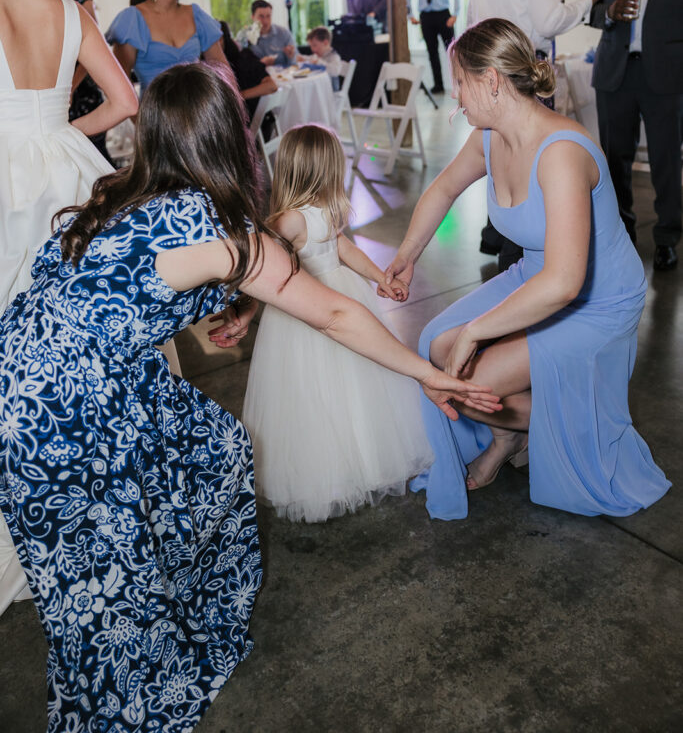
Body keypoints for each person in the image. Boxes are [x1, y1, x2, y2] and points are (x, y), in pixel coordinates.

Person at [0, 62, 499, 730]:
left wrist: (229, 313)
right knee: (99, 574)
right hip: (67, 405)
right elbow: (334, 313)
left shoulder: (119, 193)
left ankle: (163, 600)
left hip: (25, 375)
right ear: (228, 137)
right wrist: (426, 372)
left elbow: (116, 294)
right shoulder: (211, 229)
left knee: (213, 446)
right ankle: (124, 692)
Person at [385, 18, 670, 522]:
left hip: (595, 296)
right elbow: (445, 189)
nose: (455, 95)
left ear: (491, 81)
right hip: (539, 276)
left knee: (468, 383)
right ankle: (506, 437)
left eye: (461, 82)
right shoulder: (489, 135)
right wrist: (406, 256)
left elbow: (564, 282)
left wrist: (477, 331)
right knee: (436, 346)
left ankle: (570, 422)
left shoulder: (560, 151)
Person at [0, 0, 138, 615]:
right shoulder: (65, 6)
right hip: (69, 183)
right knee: (84, 348)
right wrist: (53, 137)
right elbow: (124, 103)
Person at [242, 124, 438, 522]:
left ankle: (365, 460)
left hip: (344, 296)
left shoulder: (327, 208)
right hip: (307, 311)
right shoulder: (287, 221)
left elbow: (343, 248)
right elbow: (263, 263)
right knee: (313, 391)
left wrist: (381, 278)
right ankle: (325, 474)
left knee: (358, 382)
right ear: (322, 169)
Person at [467, 0, 612, 268]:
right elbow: (547, 22)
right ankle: (522, 271)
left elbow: (470, 21)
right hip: (524, 79)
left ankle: (501, 250)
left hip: (486, 79)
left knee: (503, 172)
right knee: (532, 181)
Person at [587, 0, 683, 271]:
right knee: (613, 160)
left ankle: (667, 237)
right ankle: (621, 234)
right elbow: (587, 10)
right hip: (615, 74)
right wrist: (607, 11)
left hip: (665, 75)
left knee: (665, 161)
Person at [30, 0, 112, 162]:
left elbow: (93, 55)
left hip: (80, 87)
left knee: (91, 153)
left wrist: (72, 86)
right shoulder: (33, 6)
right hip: (48, 85)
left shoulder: (84, 3)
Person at [106, 0, 228, 92]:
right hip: (154, 111)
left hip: (198, 109)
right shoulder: (132, 19)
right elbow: (120, 83)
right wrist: (139, 114)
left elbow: (222, 70)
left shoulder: (196, 15)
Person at [406, 0, 460, 93]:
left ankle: (459, 85)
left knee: (452, 52)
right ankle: (439, 85)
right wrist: (410, 14)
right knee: (432, 53)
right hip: (426, 17)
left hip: (444, 16)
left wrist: (455, 15)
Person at [219, 19, 277, 120]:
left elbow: (271, 86)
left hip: (250, 121)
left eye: (217, 38)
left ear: (225, 39)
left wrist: (239, 97)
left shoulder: (244, 58)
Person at [236, 0, 296, 68]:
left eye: (268, 16)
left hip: (283, 76)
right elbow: (240, 65)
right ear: (252, 17)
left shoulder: (284, 33)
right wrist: (260, 64)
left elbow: (294, 65)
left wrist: (291, 56)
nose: (265, 21)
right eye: (261, 16)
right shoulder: (243, 35)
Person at [302, 25, 343, 89]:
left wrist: (319, 62)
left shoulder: (334, 56)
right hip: (321, 88)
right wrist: (303, 58)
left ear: (325, 43)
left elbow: (335, 71)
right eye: (311, 46)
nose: (312, 49)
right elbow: (310, 58)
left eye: (314, 45)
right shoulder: (318, 55)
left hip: (330, 92)